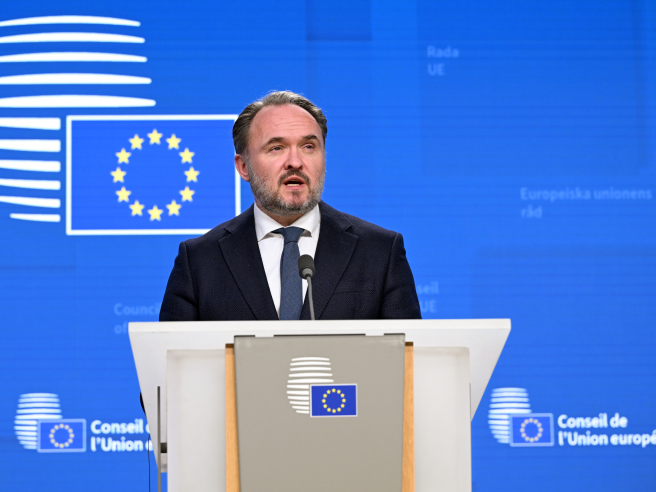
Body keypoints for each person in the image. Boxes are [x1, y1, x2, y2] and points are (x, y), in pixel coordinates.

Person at [159, 91, 421, 321]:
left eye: (309, 146)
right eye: (277, 148)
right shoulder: (199, 261)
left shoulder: (380, 252)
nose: (295, 161)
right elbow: (172, 358)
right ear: (243, 166)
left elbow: (408, 357)